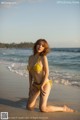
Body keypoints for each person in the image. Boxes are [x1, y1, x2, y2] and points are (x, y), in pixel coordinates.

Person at [26, 39, 74, 112]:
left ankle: (63, 108)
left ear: (44, 48)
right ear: (36, 45)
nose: (40, 47)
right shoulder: (30, 58)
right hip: (35, 85)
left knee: (43, 109)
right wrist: (30, 86)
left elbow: (47, 72)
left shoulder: (43, 58)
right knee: (29, 107)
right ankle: (35, 99)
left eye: (43, 46)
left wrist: (42, 85)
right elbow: (30, 73)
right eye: (39, 44)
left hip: (45, 84)